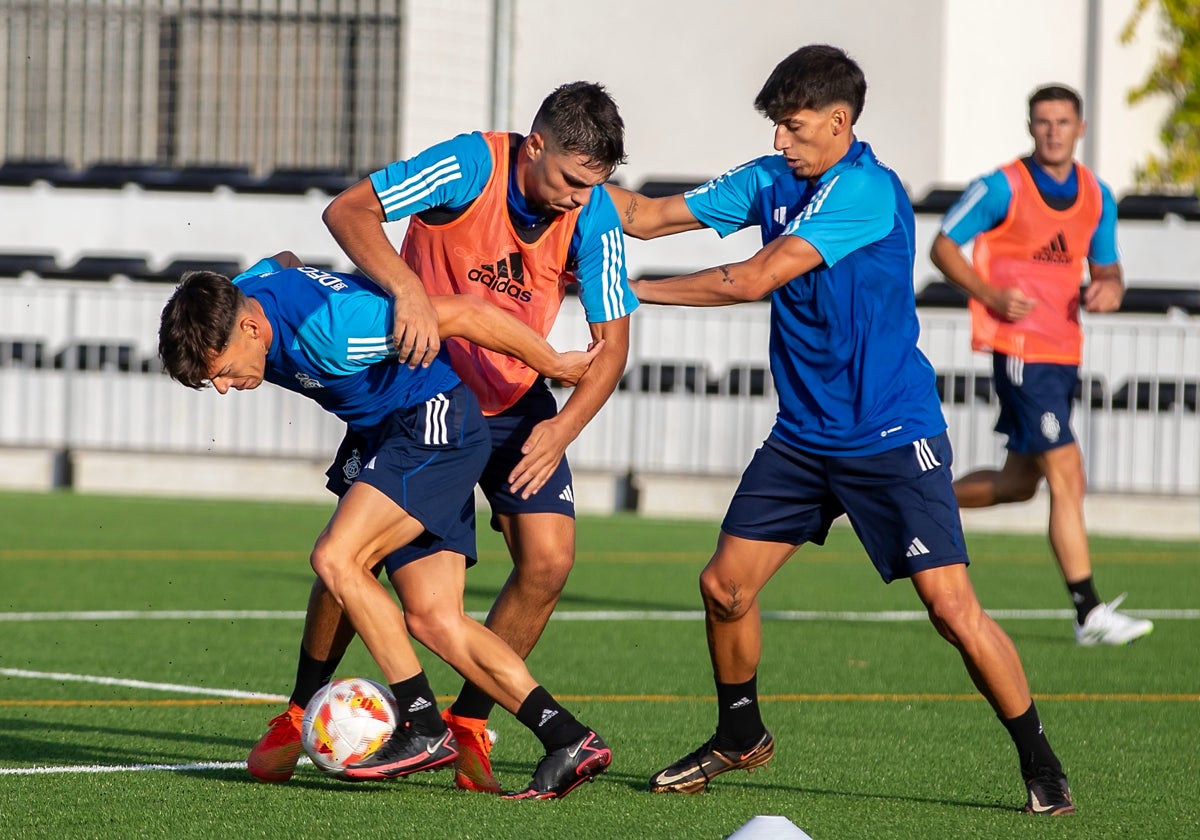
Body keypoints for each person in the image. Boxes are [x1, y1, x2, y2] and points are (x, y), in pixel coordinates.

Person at [606, 45, 1075, 815]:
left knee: (952, 610)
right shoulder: (771, 176)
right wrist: (570, 181)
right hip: (804, 437)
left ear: (838, 121)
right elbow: (648, 215)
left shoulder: (866, 191)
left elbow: (754, 278)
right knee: (724, 587)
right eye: (776, 129)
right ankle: (739, 733)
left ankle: (1041, 760)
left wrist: (624, 289)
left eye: (791, 128)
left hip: (891, 433)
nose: (779, 143)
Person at [247, 81, 637, 795]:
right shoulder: (469, 165)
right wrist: (407, 290)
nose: (579, 200)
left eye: (593, 188)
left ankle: (466, 725)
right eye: (571, 182)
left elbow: (611, 345)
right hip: (414, 399)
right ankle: (302, 707)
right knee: (352, 560)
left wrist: (562, 427)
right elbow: (350, 210)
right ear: (537, 144)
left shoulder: (596, 214)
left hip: (519, 406)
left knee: (546, 563)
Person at [157, 256, 613, 798]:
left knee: (337, 558)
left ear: (251, 327)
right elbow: (283, 263)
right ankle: (567, 737)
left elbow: (467, 313)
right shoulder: (244, 293)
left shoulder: (337, 329)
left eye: (224, 371)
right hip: (395, 433)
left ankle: (422, 725)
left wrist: (554, 364)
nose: (227, 388)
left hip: (430, 427)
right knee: (434, 617)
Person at [929, 84, 1153, 647]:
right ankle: (1088, 612)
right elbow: (943, 245)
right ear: (1031, 128)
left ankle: (906, 499)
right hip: (1021, 351)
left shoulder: (1098, 195)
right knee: (1067, 473)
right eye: (1043, 122)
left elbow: (1107, 269)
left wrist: (1111, 289)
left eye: (1062, 121)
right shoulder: (1002, 185)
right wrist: (990, 293)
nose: (1053, 131)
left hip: (1063, 353)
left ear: (1080, 128)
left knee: (1016, 484)